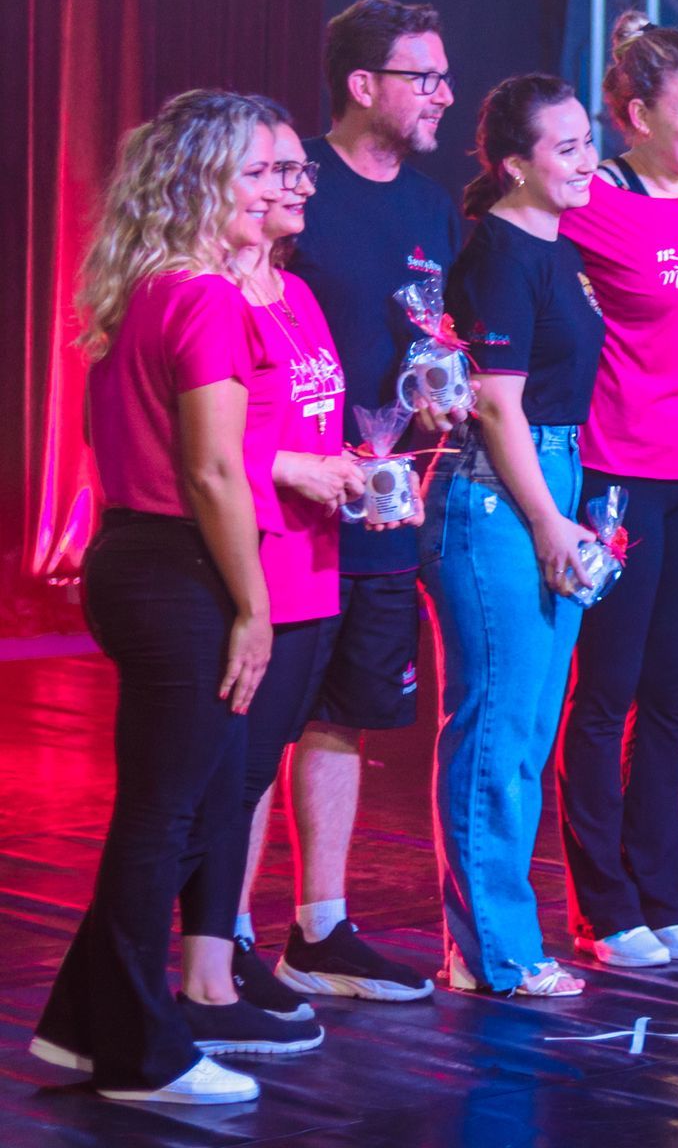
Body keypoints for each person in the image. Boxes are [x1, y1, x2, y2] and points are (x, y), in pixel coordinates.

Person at [30, 90, 308, 1104]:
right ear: (200, 184)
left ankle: (79, 1027)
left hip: (141, 562)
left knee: (189, 808)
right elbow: (214, 471)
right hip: (179, 570)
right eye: (255, 173)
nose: (275, 189)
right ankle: (141, 1055)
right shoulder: (203, 298)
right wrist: (254, 606)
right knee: (165, 815)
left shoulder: (148, 287)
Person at [190, 105, 422, 1030]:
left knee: (322, 733)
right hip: (254, 565)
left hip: (321, 560)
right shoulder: (205, 296)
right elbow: (196, 447)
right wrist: (288, 468)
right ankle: (224, 946)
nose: (296, 188)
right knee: (240, 767)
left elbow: (314, 424)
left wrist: (367, 472)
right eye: (275, 172)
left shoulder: (295, 293)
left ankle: (311, 932)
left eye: (299, 173)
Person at [260, 0, 462, 1005]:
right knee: (260, 722)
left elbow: (438, 338)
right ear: (362, 84)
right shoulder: (290, 180)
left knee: (345, 716)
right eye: (425, 77)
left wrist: (443, 390)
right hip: (285, 500)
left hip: (385, 502)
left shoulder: (431, 207)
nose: (444, 95)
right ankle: (222, 941)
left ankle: (320, 929)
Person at [556, 13, 678, 969]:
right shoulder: (593, 197)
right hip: (620, 475)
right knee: (607, 693)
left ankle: (663, 896)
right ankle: (603, 908)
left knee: (671, 692)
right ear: (636, 115)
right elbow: (510, 249)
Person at [420, 74, 605, 995]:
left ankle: (498, 942)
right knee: (496, 726)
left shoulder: (555, 247)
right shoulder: (498, 255)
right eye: (566, 148)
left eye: (588, 140)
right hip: (499, 493)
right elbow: (496, 406)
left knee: (527, 727)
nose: (588, 160)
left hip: (549, 478)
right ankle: (491, 951)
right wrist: (546, 520)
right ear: (514, 166)